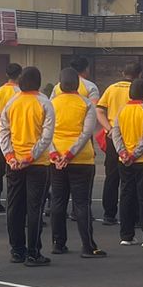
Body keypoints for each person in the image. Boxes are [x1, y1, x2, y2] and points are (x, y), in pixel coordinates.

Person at [0, 66, 56, 267]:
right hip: (37, 164)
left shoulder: (12, 102)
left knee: (14, 207)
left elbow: (3, 131)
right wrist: (31, 156)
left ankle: (17, 250)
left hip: (14, 163)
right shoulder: (45, 103)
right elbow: (46, 136)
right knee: (34, 208)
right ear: (39, 82)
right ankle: (33, 252)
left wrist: (9, 155)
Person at [47, 67, 104, 258]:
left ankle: (58, 243)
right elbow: (86, 133)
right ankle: (88, 246)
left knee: (58, 202)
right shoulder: (86, 104)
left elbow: (45, 132)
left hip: (56, 159)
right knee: (81, 203)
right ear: (78, 84)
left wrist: (55, 153)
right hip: (81, 159)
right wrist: (70, 154)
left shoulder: (51, 104)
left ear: (60, 84)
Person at [112, 78, 143, 248]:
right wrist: (135, 154)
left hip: (124, 161)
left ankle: (126, 235)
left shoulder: (122, 110)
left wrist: (122, 152)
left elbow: (116, 133)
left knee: (126, 197)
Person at [96, 60, 140, 227]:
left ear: (123, 73)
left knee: (111, 177)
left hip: (112, 136)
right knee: (131, 179)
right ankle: (132, 216)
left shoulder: (111, 88)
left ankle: (109, 214)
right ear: (139, 75)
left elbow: (99, 110)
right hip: (131, 137)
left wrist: (109, 129)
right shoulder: (138, 89)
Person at [0, 63, 22, 215]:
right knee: (14, 169)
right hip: (15, 134)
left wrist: (0, 120)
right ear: (20, 75)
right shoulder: (20, 92)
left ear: (7, 75)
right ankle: (12, 201)